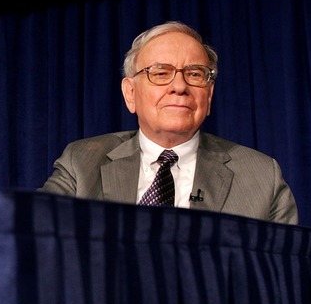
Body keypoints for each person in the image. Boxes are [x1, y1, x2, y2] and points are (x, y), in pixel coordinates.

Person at [40, 20, 298, 225]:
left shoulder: (262, 177)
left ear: (208, 96)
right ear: (130, 93)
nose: (179, 86)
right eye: (161, 73)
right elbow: (33, 238)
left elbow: (285, 279)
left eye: (195, 74)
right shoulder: (82, 162)